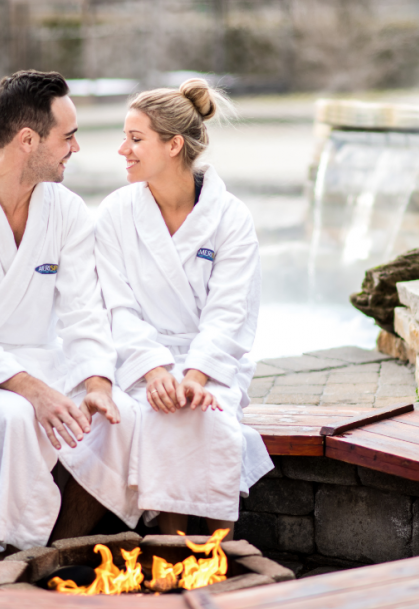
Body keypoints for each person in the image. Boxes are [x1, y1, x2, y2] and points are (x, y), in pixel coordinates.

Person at [0, 70, 141, 554]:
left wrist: (97, 382)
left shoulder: (66, 211)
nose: (75, 148)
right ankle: (16, 555)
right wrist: (36, 393)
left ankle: (57, 552)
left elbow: (84, 312)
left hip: (44, 363)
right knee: (13, 419)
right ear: (28, 140)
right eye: (68, 137)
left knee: (124, 416)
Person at [94, 78, 274, 537]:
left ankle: (219, 550)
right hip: (139, 362)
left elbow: (229, 312)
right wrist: (155, 371)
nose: (123, 150)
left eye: (135, 139)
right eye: (125, 138)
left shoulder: (230, 217)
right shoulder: (115, 213)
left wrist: (195, 376)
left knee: (209, 416)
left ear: (173, 145)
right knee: (160, 413)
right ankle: (169, 548)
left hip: (211, 362)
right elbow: (115, 307)